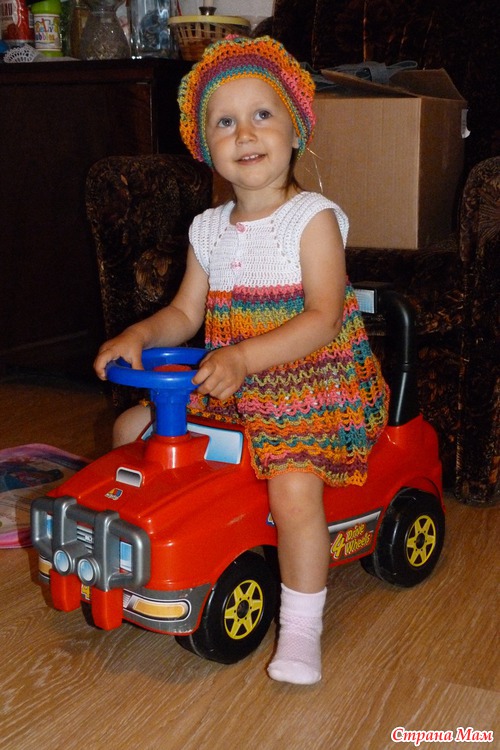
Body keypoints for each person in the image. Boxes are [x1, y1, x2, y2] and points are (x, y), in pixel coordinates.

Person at [94, 35, 389, 685]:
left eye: (262, 114)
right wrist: (139, 333)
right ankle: (139, 552)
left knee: (293, 487)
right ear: (206, 147)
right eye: (224, 122)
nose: (245, 133)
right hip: (234, 380)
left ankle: (302, 627)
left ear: (295, 131)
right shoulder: (208, 230)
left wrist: (245, 357)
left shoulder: (312, 219)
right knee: (130, 429)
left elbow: (323, 317)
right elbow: (183, 314)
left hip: (312, 385)